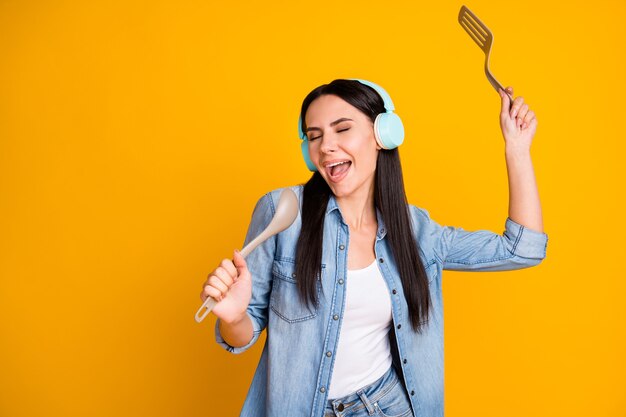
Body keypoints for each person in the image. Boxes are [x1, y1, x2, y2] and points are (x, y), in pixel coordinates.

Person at [200, 79, 548, 417]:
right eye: (314, 136)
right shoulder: (282, 213)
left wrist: (516, 149)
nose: (325, 146)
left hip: (386, 406)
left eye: (342, 129)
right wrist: (234, 317)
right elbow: (241, 336)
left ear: (383, 135)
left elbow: (522, 249)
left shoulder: (416, 231)